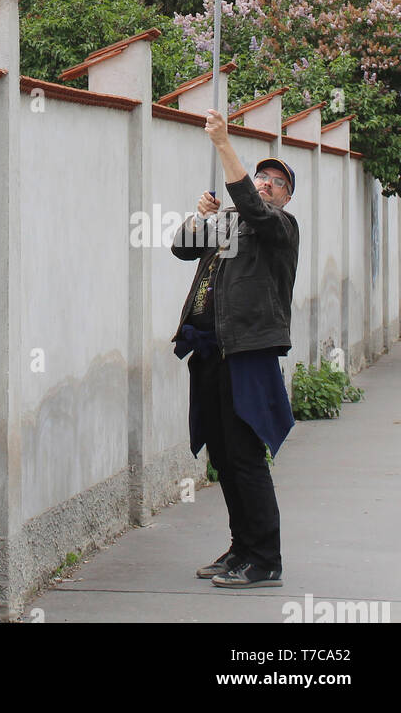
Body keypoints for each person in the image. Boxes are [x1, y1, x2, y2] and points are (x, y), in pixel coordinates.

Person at [170, 109, 300, 589]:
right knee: (223, 455)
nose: (266, 184)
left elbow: (249, 202)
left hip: (248, 354)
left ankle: (265, 558)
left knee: (245, 456)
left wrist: (225, 145)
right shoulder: (229, 224)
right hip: (211, 352)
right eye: (262, 176)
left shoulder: (280, 229)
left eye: (276, 182)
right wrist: (198, 218)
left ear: (286, 198)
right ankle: (241, 548)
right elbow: (182, 248)